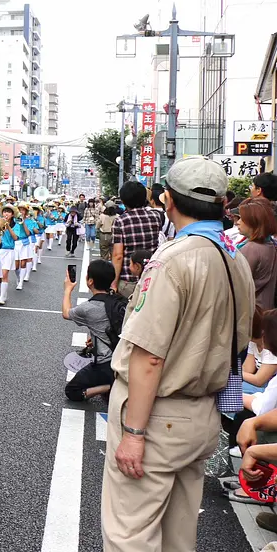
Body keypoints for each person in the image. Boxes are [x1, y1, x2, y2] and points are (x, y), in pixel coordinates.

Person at [102, 157, 253, 551]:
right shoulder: (236, 258)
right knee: (178, 536)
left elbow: (149, 355)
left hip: (157, 416)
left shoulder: (173, 259)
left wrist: (134, 433)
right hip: (203, 412)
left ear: (167, 200)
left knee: (129, 534)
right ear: (222, 204)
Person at [62, 259, 118, 401]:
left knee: (72, 391)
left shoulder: (89, 308)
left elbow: (66, 313)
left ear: (90, 281)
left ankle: (111, 386)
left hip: (106, 365)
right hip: (122, 359)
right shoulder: (119, 300)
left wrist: (68, 289)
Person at [110, 181, 164, 300]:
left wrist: (113, 283)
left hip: (127, 279)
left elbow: (118, 255)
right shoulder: (155, 217)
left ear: (124, 200)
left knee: (125, 315)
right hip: (150, 277)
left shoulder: (120, 221)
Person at [235, 197, 277, 310]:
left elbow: (236, 285)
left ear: (254, 222)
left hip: (252, 311)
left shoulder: (251, 248)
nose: (237, 223)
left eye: (242, 219)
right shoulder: (270, 244)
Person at [0, 206, 19, 306]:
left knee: (4, 274)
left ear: (12, 214)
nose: (6, 214)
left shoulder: (16, 225)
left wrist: (8, 226)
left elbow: (15, 238)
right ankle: (4, 293)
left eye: (9, 212)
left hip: (9, 251)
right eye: (5, 211)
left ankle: (1, 297)